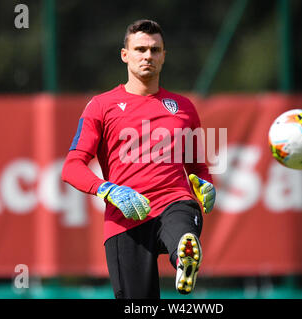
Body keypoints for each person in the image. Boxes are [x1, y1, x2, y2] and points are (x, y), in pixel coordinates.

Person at [61, 19, 216, 299]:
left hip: (174, 201)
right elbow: (72, 167)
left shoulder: (184, 107)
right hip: (126, 214)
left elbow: (197, 166)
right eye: (140, 49)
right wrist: (107, 190)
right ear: (125, 55)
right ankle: (182, 257)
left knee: (182, 228)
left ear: (164, 56)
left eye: (155, 50)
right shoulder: (101, 106)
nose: (148, 56)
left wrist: (206, 185)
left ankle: (184, 258)